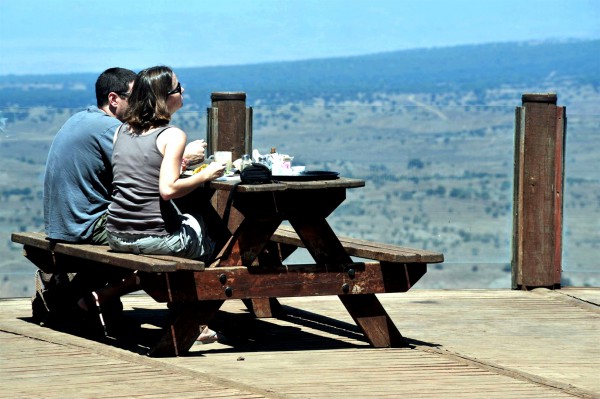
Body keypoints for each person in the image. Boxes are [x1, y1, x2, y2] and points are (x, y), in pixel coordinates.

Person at [86, 66, 226, 342]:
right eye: (176, 88)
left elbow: (141, 171)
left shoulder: (122, 132)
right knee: (214, 237)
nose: (182, 91)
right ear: (162, 98)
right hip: (153, 239)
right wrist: (207, 174)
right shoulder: (172, 135)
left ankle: (187, 318)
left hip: (117, 235)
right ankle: (192, 321)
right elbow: (168, 189)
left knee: (191, 228)